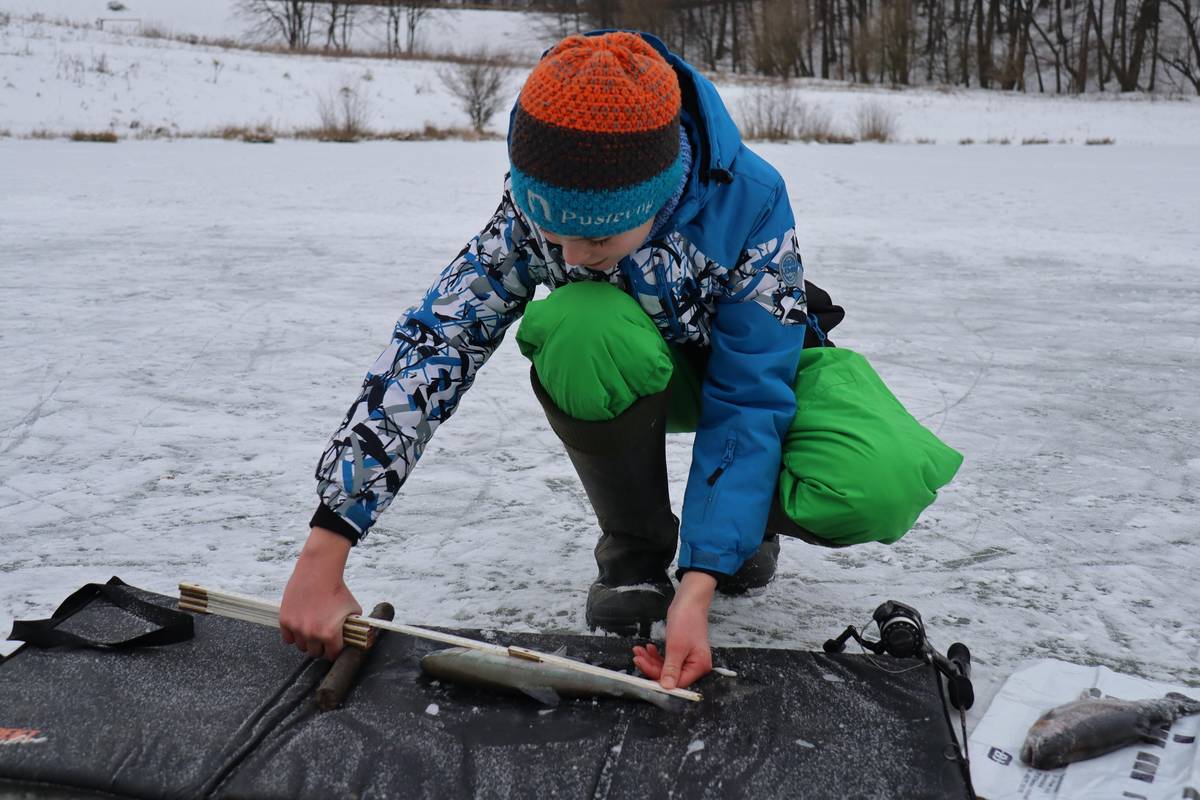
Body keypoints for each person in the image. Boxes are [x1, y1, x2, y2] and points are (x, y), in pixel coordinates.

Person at [279, 30, 960, 692]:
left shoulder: (748, 198)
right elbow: (437, 341)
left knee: (878, 478)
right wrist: (328, 541)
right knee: (577, 324)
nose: (570, 257)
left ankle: (732, 535)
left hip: (760, 365)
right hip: (633, 363)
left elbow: (749, 394)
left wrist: (699, 586)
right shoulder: (536, 201)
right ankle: (635, 551)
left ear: (659, 195)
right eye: (553, 232)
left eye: (597, 235)